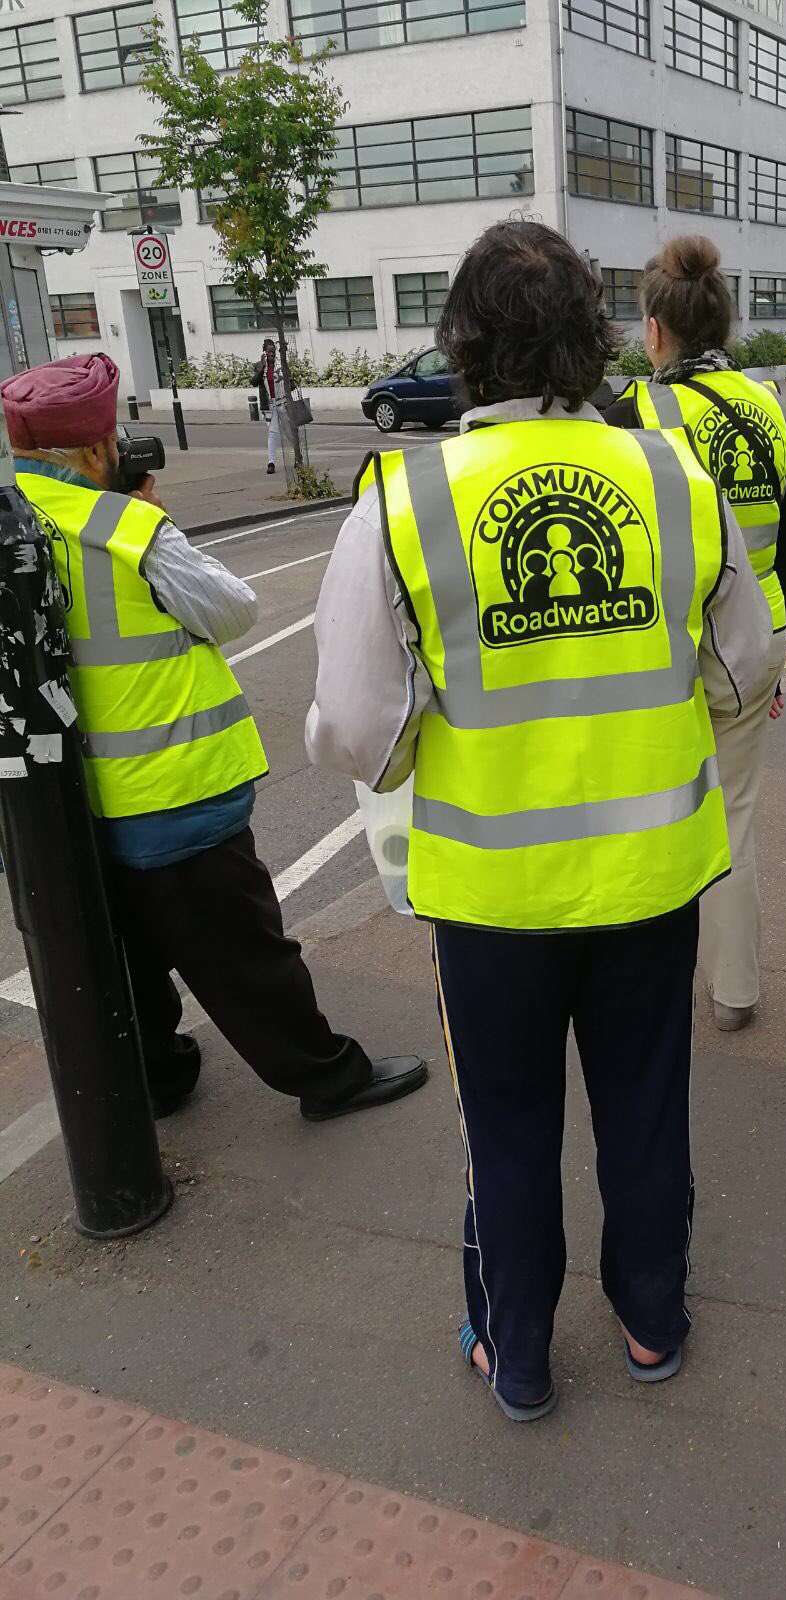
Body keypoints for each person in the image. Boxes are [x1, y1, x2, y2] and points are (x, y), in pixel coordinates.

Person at [307, 219, 772, 1420]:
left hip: (490, 896)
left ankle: (516, 1354)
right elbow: (743, 673)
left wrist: (421, 743)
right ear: (598, 342)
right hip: (649, 877)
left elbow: (358, 726)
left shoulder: (404, 504)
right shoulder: (674, 480)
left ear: (462, 350)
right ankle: (652, 1321)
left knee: (506, 1130)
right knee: (645, 1107)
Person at [2, 353, 428, 1123]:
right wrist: (147, 517)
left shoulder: (12, 521)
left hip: (66, 808)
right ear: (96, 452)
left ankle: (160, 1078)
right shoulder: (122, 525)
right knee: (247, 955)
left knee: (126, 956)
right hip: (171, 790)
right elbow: (232, 609)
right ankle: (327, 1078)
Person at [606, 235, 786, 1032]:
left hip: (662, 652)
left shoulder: (630, 418)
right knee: (735, 816)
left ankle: (640, 988)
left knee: (647, 815)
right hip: (752, 646)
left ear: (655, 329)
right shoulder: (780, 417)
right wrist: (772, 667)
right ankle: (734, 994)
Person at [252, 339, 281, 476]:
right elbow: (254, 382)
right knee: (272, 433)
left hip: (283, 401)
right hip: (269, 404)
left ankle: (296, 458)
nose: (272, 354)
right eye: (269, 351)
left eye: (273, 351)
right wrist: (262, 367)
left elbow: (290, 383)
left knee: (289, 431)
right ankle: (271, 462)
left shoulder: (280, 365)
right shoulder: (259, 366)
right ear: (264, 352)